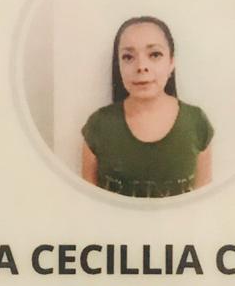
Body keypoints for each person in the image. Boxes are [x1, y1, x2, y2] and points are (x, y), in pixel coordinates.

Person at [81, 16, 214, 198]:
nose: (141, 66)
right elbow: (88, 204)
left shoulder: (196, 123)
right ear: (118, 65)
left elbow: (202, 203)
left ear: (171, 62)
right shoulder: (98, 126)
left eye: (154, 55)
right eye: (128, 57)